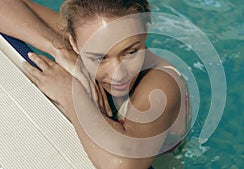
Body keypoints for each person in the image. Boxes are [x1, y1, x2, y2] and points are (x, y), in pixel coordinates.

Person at [0, 0, 190, 168]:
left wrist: (69, 93)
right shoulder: (87, 29)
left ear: (145, 32)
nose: (118, 75)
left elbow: (122, 165)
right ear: (75, 43)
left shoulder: (163, 83)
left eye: (130, 52)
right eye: (99, 57)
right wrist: (57, 48)